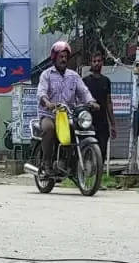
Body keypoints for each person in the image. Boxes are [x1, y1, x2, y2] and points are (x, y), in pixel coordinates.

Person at [36, 41, 97, 175]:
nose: (63, 59)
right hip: (50, 115)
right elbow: (41, 92)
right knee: (48, 129)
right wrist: (47, 102)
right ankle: (46, 163)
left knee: (85, 128)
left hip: (68, 115)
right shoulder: (46, 75)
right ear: (54, 58)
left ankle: (72, 161)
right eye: (60, 57)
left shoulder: (74, 76)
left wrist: (91, 102)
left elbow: (84, 91)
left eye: (65, 57)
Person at [84, 50, 115, 167]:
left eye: (99, 61)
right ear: (91, 63)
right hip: (88, 122)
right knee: (88, 150)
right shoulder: (85, 81)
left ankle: (99, 178)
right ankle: (87, 174)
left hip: (102, 123)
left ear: (102, 62)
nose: (97, 63)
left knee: (102, 151)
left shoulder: (106, 81)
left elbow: (108, 103)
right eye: (94, 61)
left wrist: (113, 124)